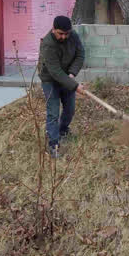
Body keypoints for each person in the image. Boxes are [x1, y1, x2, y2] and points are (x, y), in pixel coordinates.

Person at [38, 15, 86, 158]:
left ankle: (63, 130)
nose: (64, 37)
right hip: (50, 80)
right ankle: (54, 144)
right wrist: (74, 85)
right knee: (53, 112)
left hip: (67, 77)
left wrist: (72, 74)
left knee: (70, 110)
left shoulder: (73, 36)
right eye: (61, 33)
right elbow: (55, 72)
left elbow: (80, 54)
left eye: (67, 33)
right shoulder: (47, 44)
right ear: (53, 29)